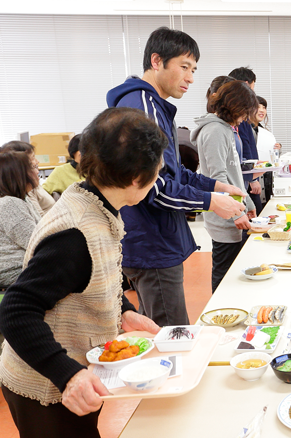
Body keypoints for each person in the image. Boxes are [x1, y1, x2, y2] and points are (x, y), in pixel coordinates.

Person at [0, 108, 165, 438]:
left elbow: (89, 276)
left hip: (70, 371)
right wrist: (68, 375)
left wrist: (124, 311)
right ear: (139, 178)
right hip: (43, 382)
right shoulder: (74, 232)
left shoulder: (94, 201)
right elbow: (16, 310)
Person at [106, 27, 247, 327]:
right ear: (157, 61)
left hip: (156, 240)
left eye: (193, 69)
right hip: (151, 243)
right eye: (184, 67)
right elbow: (153, 187)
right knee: (173, 334)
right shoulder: (142, 108)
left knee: (158, 330)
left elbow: (174, 171)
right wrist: (212, 202)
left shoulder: (155, 106)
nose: (191, 78)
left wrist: (215, 185)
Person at [191, 80, 259, 292]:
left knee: (235, 271)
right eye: (244, 112)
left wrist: (246, 203)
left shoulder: (224, 129)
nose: (245, 118)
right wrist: (235, 213)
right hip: (224, 215)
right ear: (235, 106)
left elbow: (234, 174)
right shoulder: (215, 131)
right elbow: (218, 176)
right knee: (224, 275)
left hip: (234, 210)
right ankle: (220, 317)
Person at [0, 152, 42, 286]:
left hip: (28, 268)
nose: (37, 170)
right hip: (18, 274)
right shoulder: (9, 205)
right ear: (18, 174)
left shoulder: (20, 199)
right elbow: (39, 243)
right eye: (33, 167)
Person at [228, 66, 263, 210]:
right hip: (244, 178)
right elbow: (245, 147)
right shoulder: (237, 114)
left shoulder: (238, 112)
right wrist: (253, 178)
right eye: (252, 89)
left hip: (245, 176)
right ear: (246, 85)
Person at [0, 140, 56, 216]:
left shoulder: (33, 183)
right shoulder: (27, 189)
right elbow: (39, 219)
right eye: (33, 158)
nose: (37, 161)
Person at [252, 96, 281, 210]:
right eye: (258, 107)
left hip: (265, 179)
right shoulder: (248, 130)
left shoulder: (263, 131)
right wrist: (252, 180)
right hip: (254, 180)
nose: (262, 110)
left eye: (264, 107)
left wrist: (277, 149)